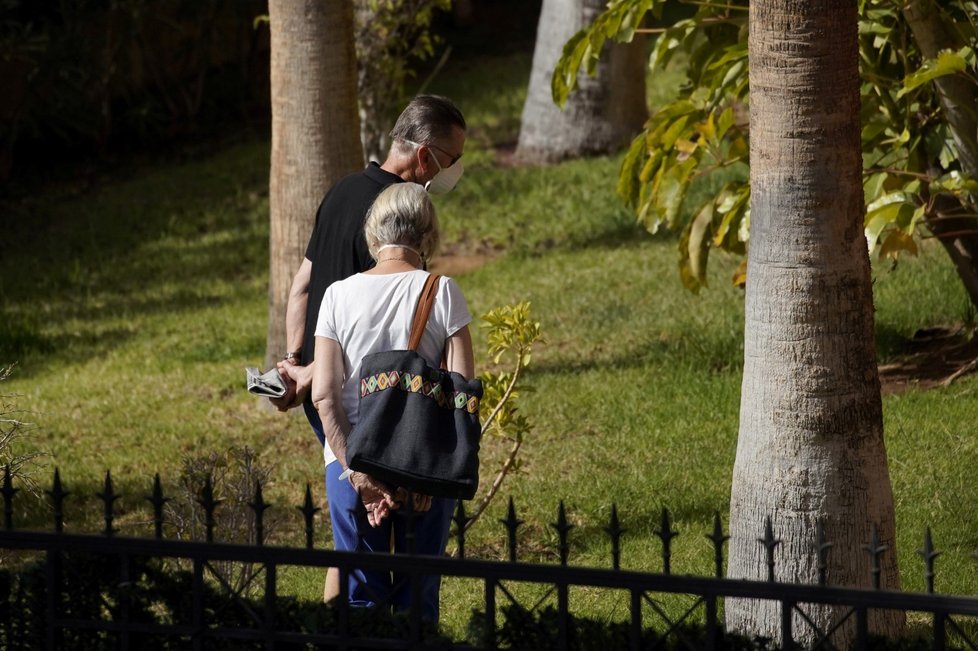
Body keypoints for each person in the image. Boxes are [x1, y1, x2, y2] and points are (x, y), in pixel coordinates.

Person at [270, 94, 466, 601]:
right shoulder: (392, 214)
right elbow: (381, 326)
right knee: (402, 559)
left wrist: (296, 365)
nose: (454, 172)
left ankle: (338, 626)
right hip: (383, 407)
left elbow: (302, 287)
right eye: (452, 159)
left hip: (328, 396)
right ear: (424, 156)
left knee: (355, 548)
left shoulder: (339, 192)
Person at [311, 182, 475, 622]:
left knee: (360, 595)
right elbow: (463, 391)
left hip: (350, 457)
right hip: (424, 463)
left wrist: (357, 473)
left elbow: (324, 394)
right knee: (416, 595)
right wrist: (425, 478)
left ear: (373, 233)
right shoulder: (442, 292)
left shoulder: (337, 296)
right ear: (427, 235)